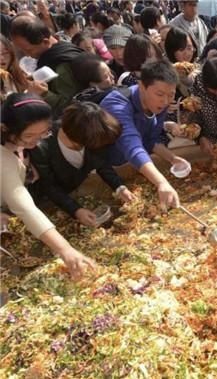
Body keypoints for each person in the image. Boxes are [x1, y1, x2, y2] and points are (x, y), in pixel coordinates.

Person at [1, 93, 96, 279]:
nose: (36, 141)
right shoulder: (3, 158)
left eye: (43, 133)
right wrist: (65, 249)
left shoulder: (16, 143)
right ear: (6, 129)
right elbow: (24, 207)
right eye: (29, 135)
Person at [30, 101, 135, 227]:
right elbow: (49, 186)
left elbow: (101, 163)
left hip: (73, 188)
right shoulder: (42, 147)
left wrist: (119, 187)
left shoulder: (91, 135)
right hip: (44, 200)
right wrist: (76, 210)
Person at [100, 59, 182, 210]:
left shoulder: (160, 104)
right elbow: (132, 145)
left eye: (171, 95)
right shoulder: (117, 104)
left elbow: (150, 141)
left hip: (134, 167)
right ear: (142, 86)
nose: (165, 101)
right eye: (160, 94)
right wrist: (161, 182)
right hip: (104, 172)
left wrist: (172, 158)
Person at [10, 15, 83, 118]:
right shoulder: (55, 54)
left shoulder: (61, 64)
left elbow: (74, 107)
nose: (27, 55)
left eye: (29, 50)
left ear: (45, 42)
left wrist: (44, 94)